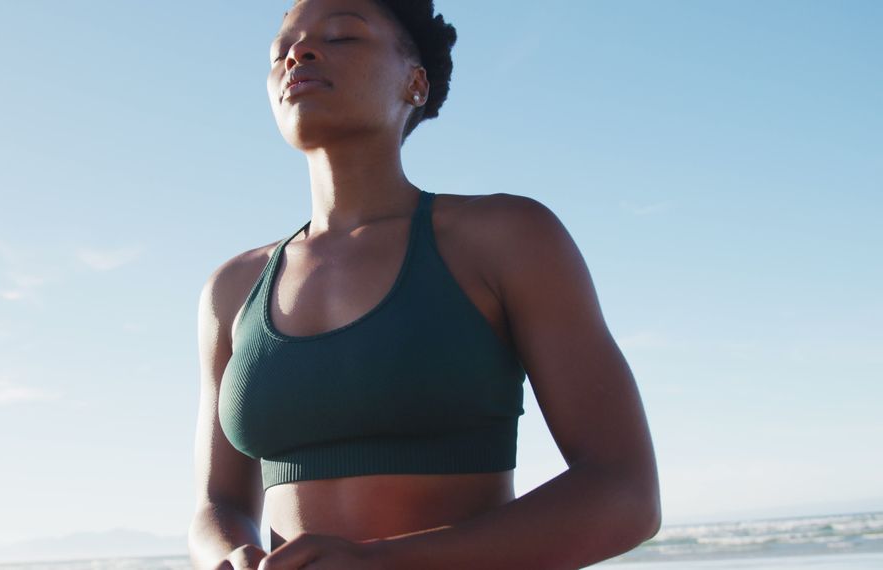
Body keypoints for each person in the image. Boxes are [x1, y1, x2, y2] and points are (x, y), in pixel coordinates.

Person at [188, 0, 661, 568]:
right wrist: (229, 557)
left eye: (341, 36)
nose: (298, 53)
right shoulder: (232, 290)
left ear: (416, 83)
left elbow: (626, 495)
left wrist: (385, 563)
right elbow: (216, 503)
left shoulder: (507, 238)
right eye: (279, 49)